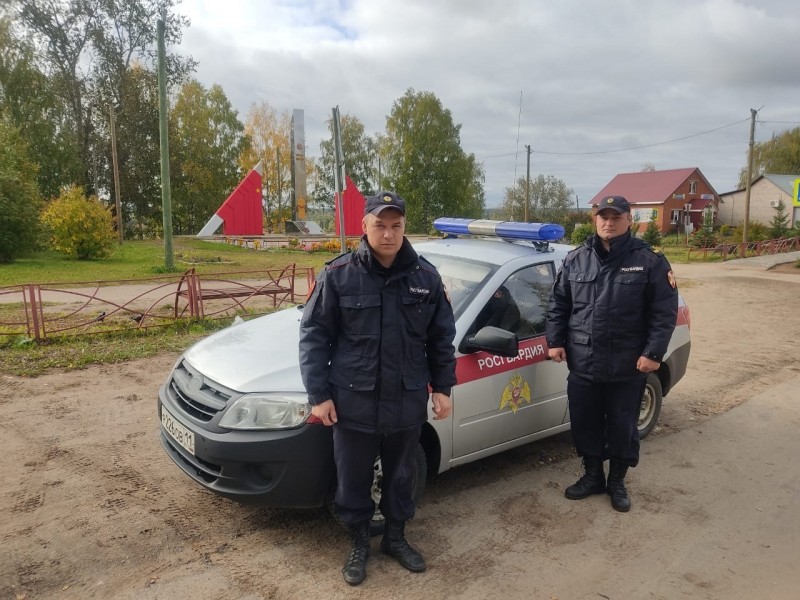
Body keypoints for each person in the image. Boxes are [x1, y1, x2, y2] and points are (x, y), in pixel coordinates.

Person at [298, 191, 457, 585]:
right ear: (364, 226)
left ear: (404, 228)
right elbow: (314, 336)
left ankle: (395, 538)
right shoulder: (339, 275)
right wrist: (319, 396)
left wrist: (443, 388)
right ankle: (358, 542)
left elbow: (441, 338)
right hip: (354, 399)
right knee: (352, 477)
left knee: (402, 473)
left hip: (405, 398)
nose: (388, 234)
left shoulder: (426, 278)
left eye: (396, 225)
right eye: (380, 225)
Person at [545, 195, 678, 512]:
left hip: (628, 364)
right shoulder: (576, 259)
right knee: (585, 422)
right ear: (595, 219)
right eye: (603, 216)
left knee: (622, 425)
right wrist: (555, 340)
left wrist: (654, 353)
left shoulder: (650, 261)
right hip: (583, 361)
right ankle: (592, 476)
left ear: (629, 220)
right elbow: (558, 305)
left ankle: (617, 481)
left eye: (616, 217)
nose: (608, 222)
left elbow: (663, 313)